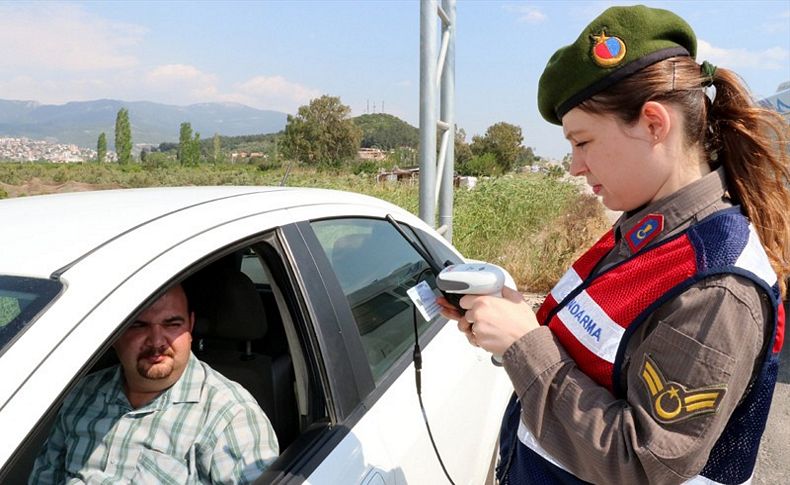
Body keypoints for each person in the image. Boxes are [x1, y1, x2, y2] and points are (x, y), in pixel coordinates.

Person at [439, 5, 788, 484]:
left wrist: (525, 344)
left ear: (653, 124)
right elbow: (594, 354)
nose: (574, 167)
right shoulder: (644, 229)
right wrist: (514, 320)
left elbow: (641, 462)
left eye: (582, 142)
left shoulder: (717, 285)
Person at [29, 283, 279, 484]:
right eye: (139, 325)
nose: (157, 341)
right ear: (114, 332)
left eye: (172, 324)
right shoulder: (83, 394)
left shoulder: (230, 415)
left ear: (190, 326)